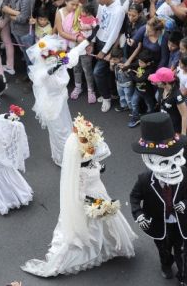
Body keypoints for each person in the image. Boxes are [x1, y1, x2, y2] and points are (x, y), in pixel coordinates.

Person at [22, 114, 137, 277]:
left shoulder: (85, 157)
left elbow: (95, 161)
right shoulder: (80, 170)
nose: (91, 144)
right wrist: (98, 205)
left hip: (98, 192)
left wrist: (98, 167)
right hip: (90, 200)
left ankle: (107, 243)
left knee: (103, 224)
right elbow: (81, 194)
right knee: (92, 226)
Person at [130, 112, 187, 285]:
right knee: (164, 250)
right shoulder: (144, 179)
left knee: (183, 252)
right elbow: (135, 197)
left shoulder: (182, 173)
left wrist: (185, 202)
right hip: (160, 223)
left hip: (181, 222)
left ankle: (185, 278)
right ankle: (166, 265)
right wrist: (138, 214)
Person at [25, 36, 89, 166]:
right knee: (59, 132)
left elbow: (74, 52)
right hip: (51, 107)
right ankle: (63, 159)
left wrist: (88, 40)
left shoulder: (60, 64)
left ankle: (69, 154)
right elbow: (43, 76)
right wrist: (56, 66)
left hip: (62, 103)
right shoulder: (42, 73)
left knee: (67, 128)